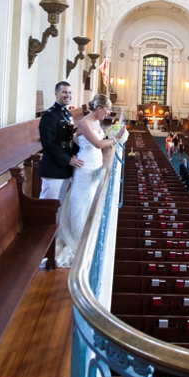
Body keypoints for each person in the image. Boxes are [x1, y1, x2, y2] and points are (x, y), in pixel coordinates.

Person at [54, 94, 125, 268]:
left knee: (91, 204)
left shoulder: (95, 122)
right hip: (85, 171)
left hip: (94, 165)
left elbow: (80, 138)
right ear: (99, 108)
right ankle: (79, 242)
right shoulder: (85, 123)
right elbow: (99, 144)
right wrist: (116, 138)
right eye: (107, 109)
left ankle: (86, 238)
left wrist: (110, 133)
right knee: (82, 204)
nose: (108, 113)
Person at [38, 82, 82, 207]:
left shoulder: (67, 114)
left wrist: (77, 154)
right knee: (48, 206)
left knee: (60, 206)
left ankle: (58, 227)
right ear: (56, 94)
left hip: (65, 167)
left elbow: (69, 139)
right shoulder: (50, 116)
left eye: (69, 92)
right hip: (53, 167)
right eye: (64, 92)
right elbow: (49, 145)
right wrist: (68, 160)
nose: (68, 95)